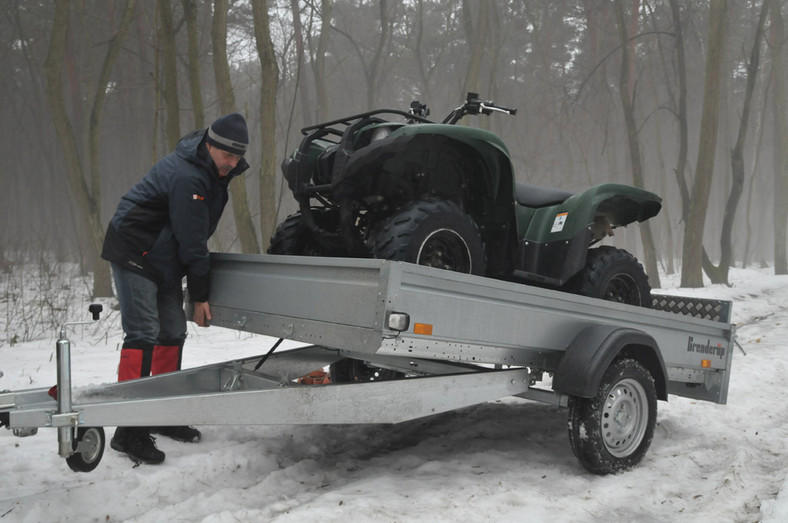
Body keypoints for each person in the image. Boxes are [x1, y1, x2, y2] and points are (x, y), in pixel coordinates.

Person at [101, 113, 249, 464]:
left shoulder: (211, 170)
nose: (233, 163)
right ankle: (128, 430)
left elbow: (191, 237)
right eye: (227, 155)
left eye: (237, 157)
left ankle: (163, 412)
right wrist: (199, 296)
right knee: (143, 333)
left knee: (171, 331)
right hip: (136, 251)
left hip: (163, 256)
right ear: (210, 146)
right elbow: (193, 240)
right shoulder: (188, 177)